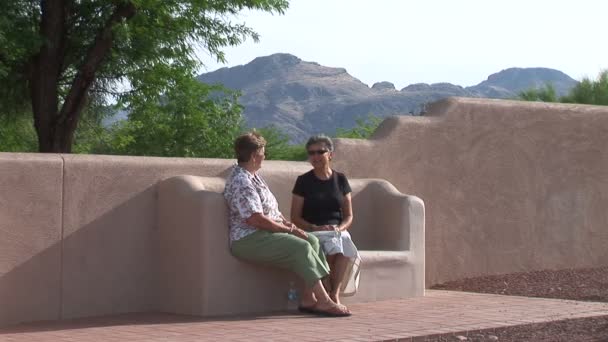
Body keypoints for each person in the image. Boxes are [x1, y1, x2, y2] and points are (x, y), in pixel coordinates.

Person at [223, 131, 351, 317]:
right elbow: (256, 219)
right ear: (253, 156)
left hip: (265, 233)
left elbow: (271, 212)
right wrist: (290, 229)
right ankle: (325, 301)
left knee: (313, 241)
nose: (264, 157)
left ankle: (309, 299)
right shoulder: (242, 181)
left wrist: (292, 227)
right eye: (263, 153)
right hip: (248, 238)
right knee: (300, 247)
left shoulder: (253, 176)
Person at [291, 135, 360, 305]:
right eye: (311, 153)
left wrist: (340, 228)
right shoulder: (303, 181)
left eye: (320, 152)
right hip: (312, 230)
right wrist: (314, 227)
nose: (315, 156)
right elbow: (295, 217)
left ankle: (334, 293)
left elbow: (349, 215)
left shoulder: (341, 180)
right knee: (333, 243)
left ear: (330, 154)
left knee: (343, 242)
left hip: (336, 230)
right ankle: (326, 288)